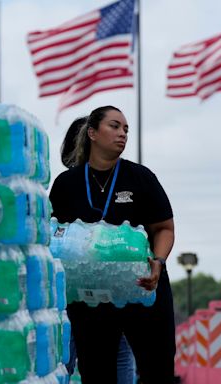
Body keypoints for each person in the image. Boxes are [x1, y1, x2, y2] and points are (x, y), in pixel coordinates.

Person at [50, 106, 175, 383]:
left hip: (144, 286)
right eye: (115, 126)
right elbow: (55, 236)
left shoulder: (141, 178)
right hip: (92, 296)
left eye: (126, 129)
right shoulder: (66, 184)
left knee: (158, 369)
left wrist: (159, 261)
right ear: (92, 133)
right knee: (96, 371)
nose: (122, 134)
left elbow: (164, 228)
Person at [61, 116, 137, 384]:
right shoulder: (66, 186)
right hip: (88, 297)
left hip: (94, 296)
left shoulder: (126, 183)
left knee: (65, 361)